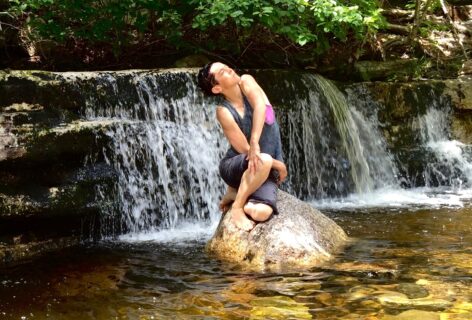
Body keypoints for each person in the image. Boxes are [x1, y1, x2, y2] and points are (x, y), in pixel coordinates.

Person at [197, 62, 287, 231]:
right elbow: (245, 150)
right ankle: (237, 207)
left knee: (261, 213)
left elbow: (260, 105)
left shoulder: (246, 81)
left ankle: (235, 191)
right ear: (217, 88)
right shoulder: (223, 112)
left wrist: (255, 143)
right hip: (237, 164)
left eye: (227, 66)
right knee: (265, 160)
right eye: (223, 72)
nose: (230, 69)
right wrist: (278, 164)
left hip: (261, 168)